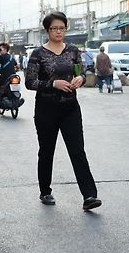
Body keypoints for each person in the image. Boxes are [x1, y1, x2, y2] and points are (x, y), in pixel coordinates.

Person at [25, 11, 101, 211]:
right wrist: (53, 83)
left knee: (77, 151)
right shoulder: (38, 54)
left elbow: (81, 72)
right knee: (46, 152)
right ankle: (45, 191)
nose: (58, 32)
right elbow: (30, 82)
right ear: (47, 30)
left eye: (61, 28)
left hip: (70, 109)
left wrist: (80, 79)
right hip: (46, 110)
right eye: (54, 28)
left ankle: (89, 195)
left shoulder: (73, 51)